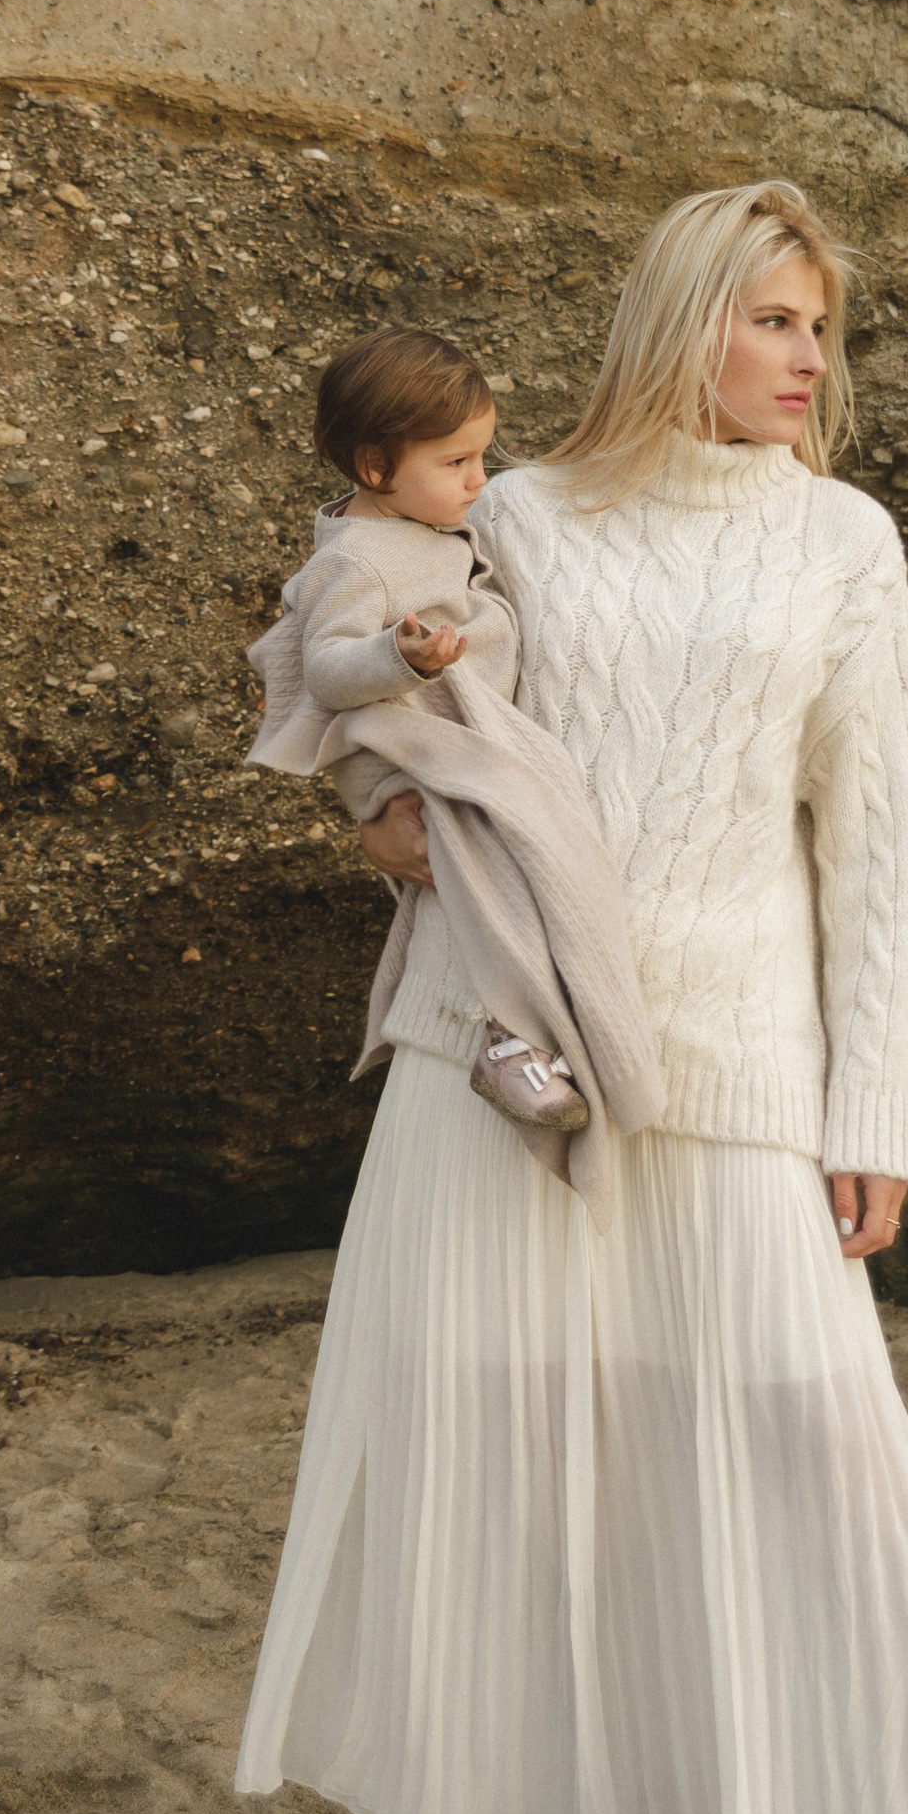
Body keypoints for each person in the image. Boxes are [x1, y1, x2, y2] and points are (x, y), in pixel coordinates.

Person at [235, 180, 908, 1814]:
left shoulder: (844, 545)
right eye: (773, 317)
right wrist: (372, 806)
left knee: (826, 1470)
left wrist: (880, 1109)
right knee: (568, 1473)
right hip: (506, 1063)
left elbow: (879, 848)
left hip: (733, 1082)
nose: (808, 359)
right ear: (683, 316)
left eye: (820, 328)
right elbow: (343, 654)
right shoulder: (518, 511)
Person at [244, 325, 662, 1191]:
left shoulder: (415, 528)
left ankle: (532, 1032)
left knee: (500, 871)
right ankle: (509, 1037)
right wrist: (403, 656)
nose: (480, 481)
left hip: (438, 743)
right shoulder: (358, 559)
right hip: (411, 749)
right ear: (373, 468)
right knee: (504, 875)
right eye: (456, 463)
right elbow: (324, 665)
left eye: (482, 456)